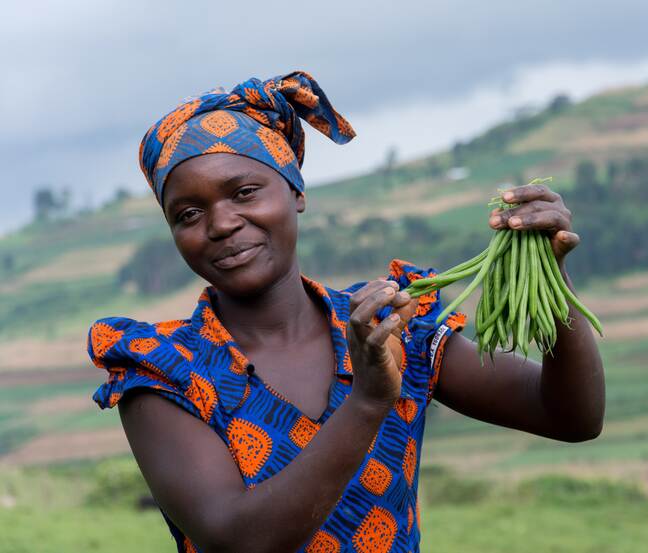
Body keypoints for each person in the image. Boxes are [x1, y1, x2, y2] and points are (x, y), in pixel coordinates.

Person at [88, 71, 605, 553]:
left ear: (295, 193)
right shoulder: (164, 371)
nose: (222, 223)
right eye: (189, 214)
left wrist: (547, 276)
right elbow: (237, 538)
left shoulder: (391, 325)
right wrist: (367, 401)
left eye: (245, 192)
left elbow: (570, 417)